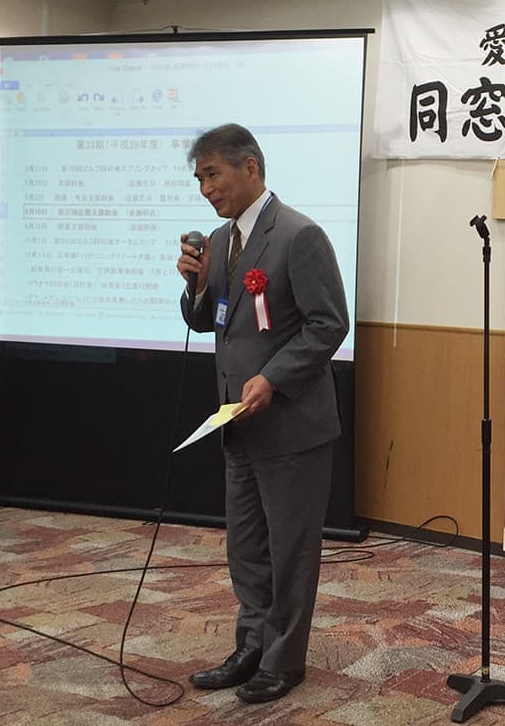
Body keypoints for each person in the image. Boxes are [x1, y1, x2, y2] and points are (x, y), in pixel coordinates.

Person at [175, 123, 349, 704]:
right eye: (199, 178)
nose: (206, 188)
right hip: (238, 421)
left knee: (290, 549)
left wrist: (273, 377)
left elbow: (329, 324)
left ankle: (283, 661)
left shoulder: (299, 235)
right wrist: (195, 287)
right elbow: (210, 320)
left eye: (213, 174)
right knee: (246, 548)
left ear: (249, 167)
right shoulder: (222, 240)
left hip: (292, 426)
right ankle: (250, 646)